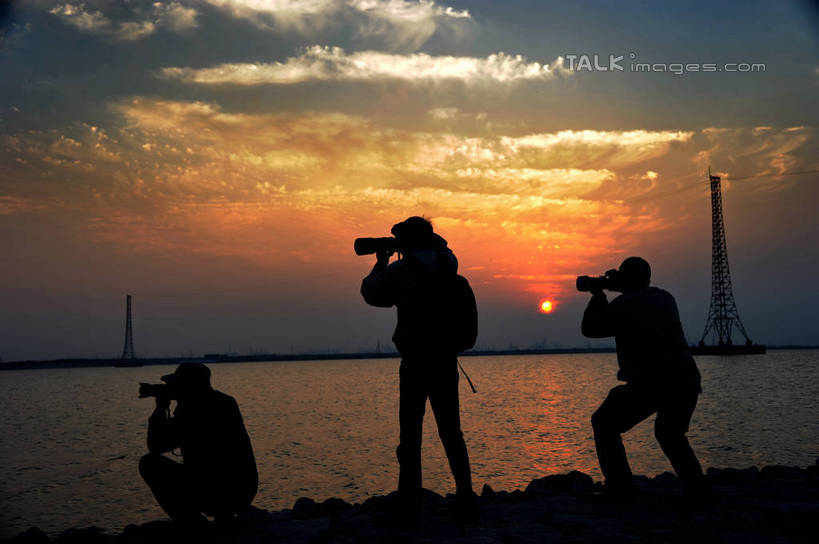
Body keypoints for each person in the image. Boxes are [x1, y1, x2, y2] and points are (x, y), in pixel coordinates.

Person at [360, 216, 476, 521]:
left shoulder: (402, 271)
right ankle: (465, 494)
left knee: (410, 435)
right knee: (452, 431)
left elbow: (372, 293)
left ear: (407, 242)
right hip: (446, 361)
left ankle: (410, 502)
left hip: (415, 362)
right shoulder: (453, 273)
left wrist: (381, 263)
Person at [581, 257, 708, 501]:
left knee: (605, 422)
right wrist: (618, 285)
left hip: (652, 383)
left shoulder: (624, 304)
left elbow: (591, 329)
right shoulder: (665, 297)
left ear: (625, 280)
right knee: (671, 434)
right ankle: (697, 489)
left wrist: (598, 295)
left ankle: (620, 486)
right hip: (685, 382)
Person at [139, 363, 258, 525]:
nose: (172, 389)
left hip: (216, 492)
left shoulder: (193, 408)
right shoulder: (225, 401)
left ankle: (193, 524)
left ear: (187, 385)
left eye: (175, 385)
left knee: (149, 464)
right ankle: (224, 517)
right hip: (243, 492)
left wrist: (160, 409)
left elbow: (156, 446)